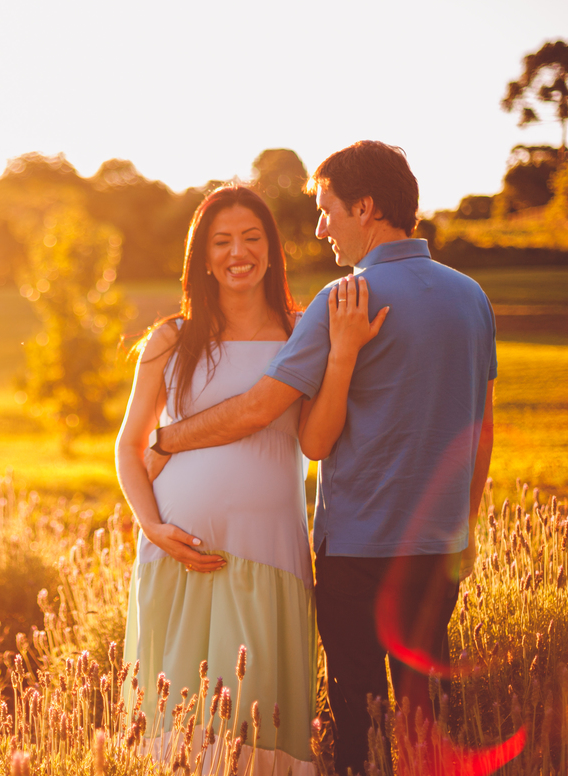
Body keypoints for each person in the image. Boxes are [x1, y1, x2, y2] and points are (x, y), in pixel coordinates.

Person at [147, 142, 496, 776]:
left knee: (359, 718)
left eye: (326, 208)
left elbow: (261, 410)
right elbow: (481, 430)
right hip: (438, 549)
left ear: (364, 208)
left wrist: (167, 439)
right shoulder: (471, 297)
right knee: (428, 715)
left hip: (357, 551)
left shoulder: (345, 299)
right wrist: (463, 529)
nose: (320, 226)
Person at [116, 183, 387, 774]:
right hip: (177, 556)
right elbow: (129, 445)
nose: (237, 252)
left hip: (271, 556)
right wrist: (152, 527)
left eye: (251, 238)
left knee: (259, 725)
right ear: (201, 256)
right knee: (178, 728)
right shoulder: (170, 340)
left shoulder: (301, 331)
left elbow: (315, 443)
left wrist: (341, 357)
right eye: (221, 241)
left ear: (271, 250)